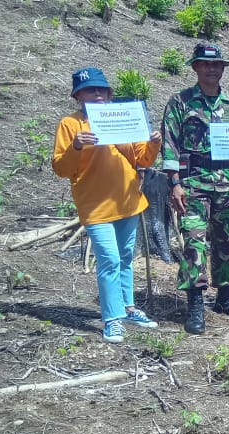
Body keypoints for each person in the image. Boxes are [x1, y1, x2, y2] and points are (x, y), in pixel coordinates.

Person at [52, 67, 162, 343]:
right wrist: (76, 146)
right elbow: (61, 169)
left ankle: (127, 307)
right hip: (95, 205)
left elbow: (144, 160)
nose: (98, 94)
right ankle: (111, 319)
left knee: (125, 258)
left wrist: (154, 143)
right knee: (109, 259)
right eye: (90, 90)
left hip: (128, 201)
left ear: (110, 93)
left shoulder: (123, 118)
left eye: (102, 89)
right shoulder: (71, 125)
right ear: (78, 96)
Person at [161, 43, 229, 335]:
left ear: (223, 68)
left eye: (216, 65)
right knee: (194, 243)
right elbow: (169, 144)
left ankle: (225, 299)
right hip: (193, 182)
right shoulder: (181, 102)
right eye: (205, 64)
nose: (211, 69)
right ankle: (196, 305)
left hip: (226, 182)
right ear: (195, 67)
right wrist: (174, 182)